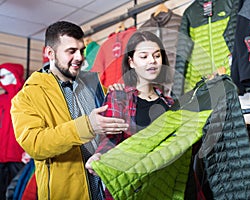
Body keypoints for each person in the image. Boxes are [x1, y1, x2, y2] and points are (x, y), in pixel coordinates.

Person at [10, 21, 128, 200]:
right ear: (50, 53)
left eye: (82, 50)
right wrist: (87, 126)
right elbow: (35, 144)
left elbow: (110, 131)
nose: (80, 57)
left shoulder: (95, 84)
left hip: (106, 190)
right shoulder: (27, 96)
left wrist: (118, 100)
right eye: (71, 51)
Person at [85, 31, 174, 199]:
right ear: (131, 62)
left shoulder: (170, 103)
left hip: (164, 186)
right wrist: (99, 155)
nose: (152, 61)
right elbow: (111, 138)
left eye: (156, 55)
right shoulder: (119, 96)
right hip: (133, 186)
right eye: (144, 56)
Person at [0, 63, 25, 199]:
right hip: (0, 157)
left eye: (4, 74)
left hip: (18, 156)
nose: (1, 78)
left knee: (17, 193)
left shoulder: (25, 98)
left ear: (14, 74)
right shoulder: (1, 100)